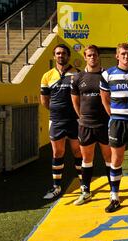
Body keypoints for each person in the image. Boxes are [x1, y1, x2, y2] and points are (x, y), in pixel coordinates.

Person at [100, 43, 128, 212]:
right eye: (122, 54)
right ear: (117, 56)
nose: (125, 56)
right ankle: (115, 196)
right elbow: (105, 98)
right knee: (116, 159)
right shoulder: (107, 74)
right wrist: (114, 115)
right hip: (117, 122)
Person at [71, 45, 111, 205]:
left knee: (109, 158)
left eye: (94, 55)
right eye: (89, 55)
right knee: (87, 158)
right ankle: (85, 191)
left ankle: (113, 191)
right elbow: (75, 101)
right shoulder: (78, 77)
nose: (92, 57)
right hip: (86, 124)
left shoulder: (106, 75)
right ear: (85, 57)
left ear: (98, 56)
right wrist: (82, 118)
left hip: (105, 123)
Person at [41, 44, 82, 200]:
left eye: (63, 53)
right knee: (58, 153)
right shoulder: (47, 75)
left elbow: (81, 98)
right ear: (54, 56)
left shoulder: (77, 74)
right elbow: (44, 100)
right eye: (58, 53)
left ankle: (83, 185)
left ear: (68, 56)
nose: (60, 56)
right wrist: (56, 111)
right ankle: (56, 187)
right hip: (56, 120)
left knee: (78, 152)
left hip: (75, 120)